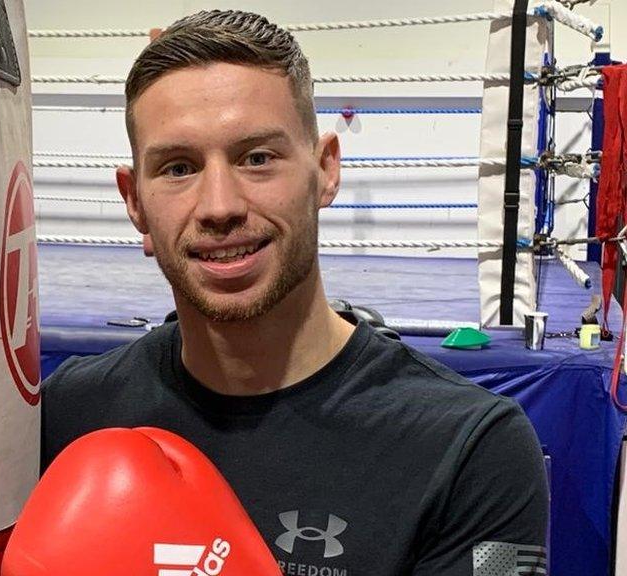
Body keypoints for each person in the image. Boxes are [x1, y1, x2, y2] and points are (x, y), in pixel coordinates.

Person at [39, 9, 548, 576]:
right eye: (178, 167)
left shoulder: (471, 449)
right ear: (134, 200)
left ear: (326, 169)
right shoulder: (69, 415)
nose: (219, 206)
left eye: (257, 158)